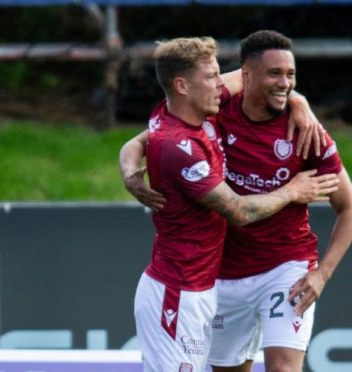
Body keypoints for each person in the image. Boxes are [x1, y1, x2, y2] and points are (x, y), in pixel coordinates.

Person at [127, 36, 340, 372]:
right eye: (212, 77)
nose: (222, 84)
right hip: (176, 291)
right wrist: (293, 190)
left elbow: (254, 79)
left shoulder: (196, 117)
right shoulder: (178, 147)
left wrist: (298, 100)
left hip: (201, 287)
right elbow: (240, 212)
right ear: (182, 86)